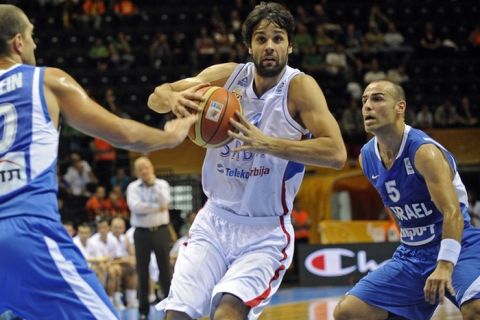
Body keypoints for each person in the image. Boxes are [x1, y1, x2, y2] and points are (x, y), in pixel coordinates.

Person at [147, 2, 347, 319]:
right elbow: (156, 97)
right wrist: (172, 97)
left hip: (264, 231)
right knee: (177, 315)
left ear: (290, 45)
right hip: (213, 221)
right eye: (261, 38)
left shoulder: (300, 88)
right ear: (249, 46)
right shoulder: (227, 77)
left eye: (278, 38)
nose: (269, 46)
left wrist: (267, 143)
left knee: (227, 312)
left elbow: (336, 154)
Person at [0, 4, 196, 320]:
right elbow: (121, 133)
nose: (36, 44)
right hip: (29, 233)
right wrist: (169, 138)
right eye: (32, 36)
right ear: (18, 42)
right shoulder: (47, 81)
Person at [333, 80, 480, 320]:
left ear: (400, 107)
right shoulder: (366, 158)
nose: (367, 106)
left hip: (458, 244)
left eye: (377, 99)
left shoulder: (424, 152)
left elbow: (452, 212)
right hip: (411, 255)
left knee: (475, 310)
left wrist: (444, 264)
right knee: (349, 312)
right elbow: (395, 207)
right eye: (364, 101)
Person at [126, 156, 174, 319]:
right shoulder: (133, 187)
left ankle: (170, 307)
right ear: (136, 172)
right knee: (142, 270)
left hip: (160, 230)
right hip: (141, 233)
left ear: (152, 168)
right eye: (141, 169)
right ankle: (143, 310)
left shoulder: (162, 184)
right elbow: (135, 207)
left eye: (147, 167)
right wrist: (157, 208)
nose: (145, 171)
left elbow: (166, 202)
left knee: (165, 269)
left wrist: (154, 186)